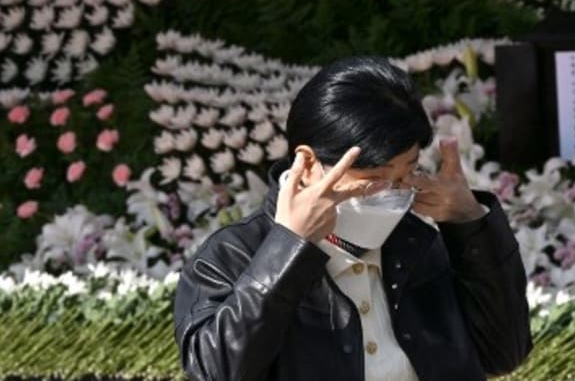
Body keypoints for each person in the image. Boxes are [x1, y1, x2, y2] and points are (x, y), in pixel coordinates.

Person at [173, 56, 532, 380]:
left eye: (406, 172)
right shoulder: (232, 256)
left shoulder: (418, 244)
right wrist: (287, 247)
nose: (390, 193)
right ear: (309, 163)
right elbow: (216, 372)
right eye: (373, 178)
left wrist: (469, 224)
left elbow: (504, 353)